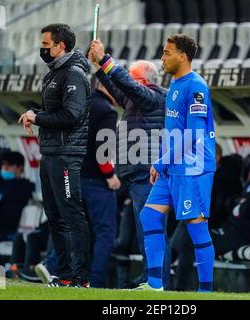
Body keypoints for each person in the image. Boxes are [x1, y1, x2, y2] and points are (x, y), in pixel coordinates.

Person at [135, 34, 217, 292]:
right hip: (172, 166)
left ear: (183, 56)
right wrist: (161, 162)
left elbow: (192, 135)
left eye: (167, 53)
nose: (162, 58)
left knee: (196, 227)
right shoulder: (175, 86)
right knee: (149, 215)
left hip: (193, 168)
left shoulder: (196, 87)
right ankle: (155, 284)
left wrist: (160, 162)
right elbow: (173, 130)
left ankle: (206, 292)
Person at [89, 39, 172, 289]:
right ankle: (151, 278)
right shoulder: (137, 99)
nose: (129, 84)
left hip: (149, 175)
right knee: (144, 230)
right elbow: (118, 89)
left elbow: (124, 84)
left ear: (143, 81)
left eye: (133, 79)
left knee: (152, 230)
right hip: (139, 175)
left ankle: (157, 282)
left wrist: (107, 61)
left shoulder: (153, 96)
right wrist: (99, 68)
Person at [19, 24, 91, 288]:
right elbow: (55, 111)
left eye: (46, 46)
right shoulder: (54, 74)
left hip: (66, 154)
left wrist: (37, 116)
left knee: (72, 215)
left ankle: (80, 277)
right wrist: (34, 113)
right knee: (55, 216)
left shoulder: (73, 74)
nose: (42, 50)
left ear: (61, 46)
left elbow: (72, 115)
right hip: (51, 152)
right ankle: (64, 274)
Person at [81, 83, 120, 288]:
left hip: (75, 176)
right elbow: (103, 151)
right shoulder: (107, 111)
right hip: (97, 182)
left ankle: (61, 271)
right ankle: (95, 282)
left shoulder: (82, 104)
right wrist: (111, 176)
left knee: (78, 229)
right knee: (105, 232)